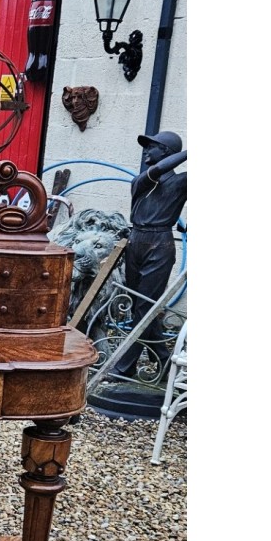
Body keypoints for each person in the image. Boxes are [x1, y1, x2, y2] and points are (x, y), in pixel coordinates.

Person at [110, 130, 187, 379]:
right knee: (141, 308)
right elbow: (159, 171)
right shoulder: (142, 180)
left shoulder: (182, 182)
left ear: (165, 152)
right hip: (136, 241)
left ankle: (124, 368)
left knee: (144, 308)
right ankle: (164, 362)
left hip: (160, 244)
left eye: (152, 147)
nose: (146, 152)